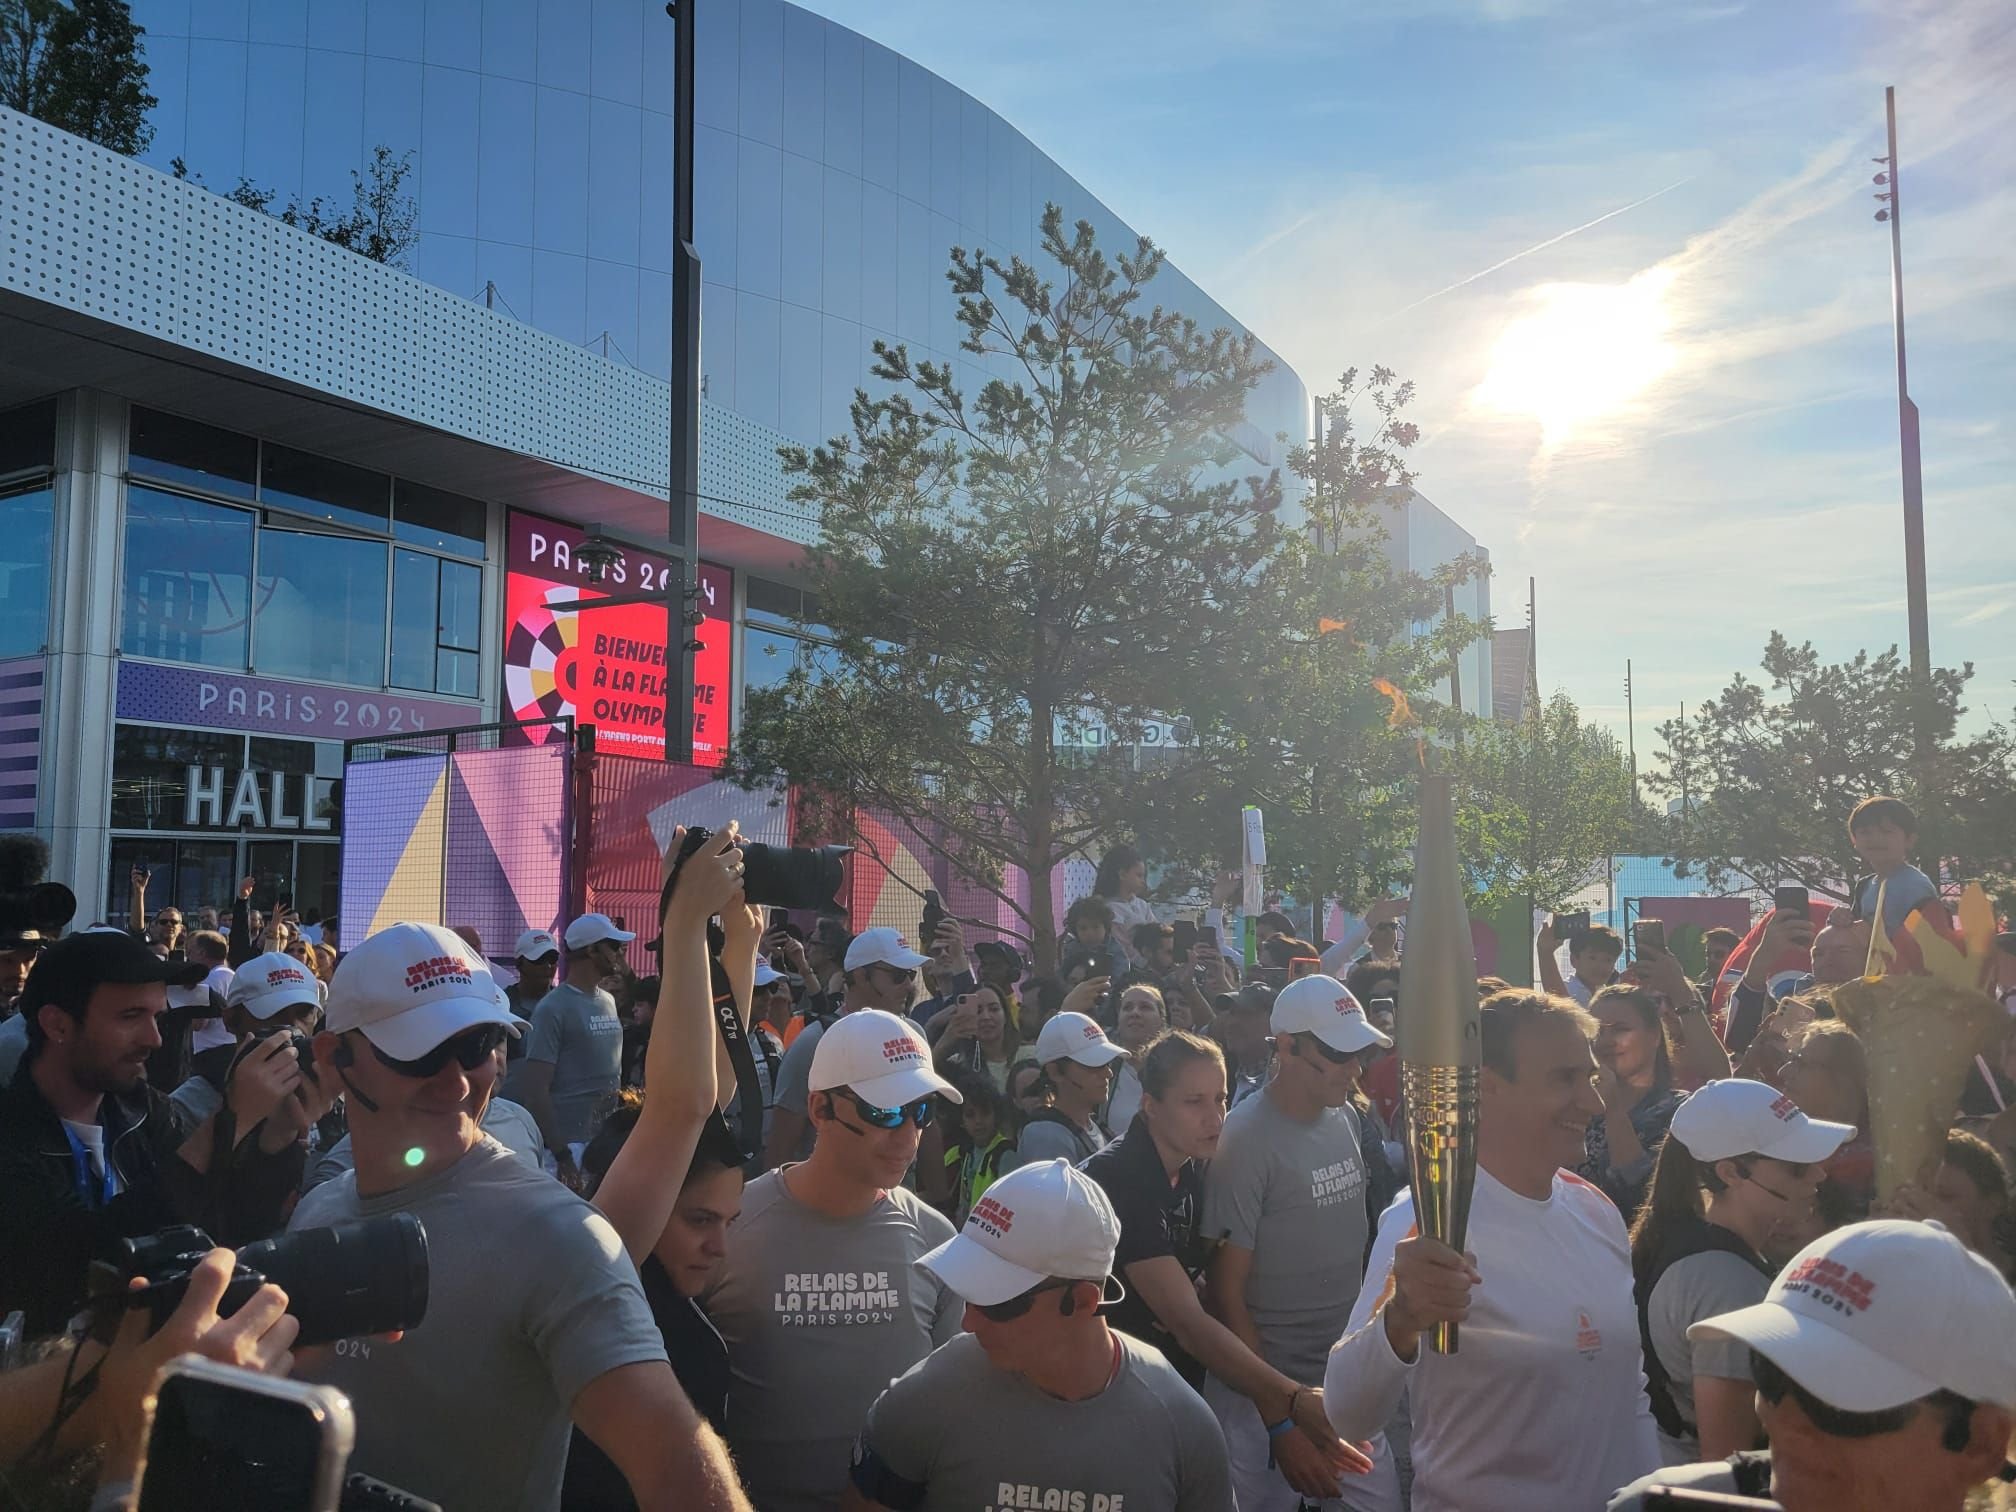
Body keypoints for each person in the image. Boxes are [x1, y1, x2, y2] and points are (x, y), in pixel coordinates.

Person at [290, 920, 748, 1511]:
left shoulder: (558, 1237)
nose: (456, 1081)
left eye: (475, 1044)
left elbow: (682, 1475)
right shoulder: (317, 1214)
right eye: (420, 1051)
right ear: (334, 1060)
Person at [1326, 989, 1659, 1511]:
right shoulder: (1431, 1221)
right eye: (1565, 1079)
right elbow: (1348, 1413)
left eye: (1590, 1078)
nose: (1594, 1103)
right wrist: (1401, 1319)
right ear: (1486, 1086)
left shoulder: (1597, 1210)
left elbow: (1627, 1393)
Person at [843, 1158, 1236, 1512]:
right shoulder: (922, 1402)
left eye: (997, 1301)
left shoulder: (1183, 1428)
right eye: (967, 1290)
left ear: (1083, 1301)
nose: (969, 1321)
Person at [1082, 1029, 1373, 1500]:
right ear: (1149, 1104)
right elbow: (1188, 1322)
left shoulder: (1195, 1166)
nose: (1215, 1116)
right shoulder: (1121, 1177)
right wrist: (1288, 1409)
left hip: (1175, 1387)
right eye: (1193, 1102)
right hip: (1107, 1399)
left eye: (1220, 1098)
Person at [701, 1008, 963, 1512]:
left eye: (921, 1110)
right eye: (885, 1111)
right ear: (820, 1109)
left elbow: (951, 1414)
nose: (908, 1132)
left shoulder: (934, 1237)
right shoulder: (729, 1225)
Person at [0, 930, 311, 1336]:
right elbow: (90, 1255)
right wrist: (228, 1119)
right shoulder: (12, 1131)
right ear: (57, 1024)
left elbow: (227, 1227)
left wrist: (280, 1136)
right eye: (130, 1017)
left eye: (157, 1017)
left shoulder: (145, 1111)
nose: (155, 1039)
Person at [1608, 1219, 2016, 1512]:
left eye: (1839, 1395)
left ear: (1982, 1443)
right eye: (1771, 1372)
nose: (1783, 1417)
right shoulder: (1650, 1507)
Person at [1202, 973, 1387, 1511]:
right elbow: (1226, 1293)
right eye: (1337, 1052)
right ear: (1286, 1045)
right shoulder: (1244, 1137)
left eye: (1358, 1051)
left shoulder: (1347, 1117)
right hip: (1262, 1403)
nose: (1354, 1067)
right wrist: (1279, 1417)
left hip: (1342, 1390)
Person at [1627, 1079, 1852, 1464]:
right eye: (1797, 1167)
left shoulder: (1695, 1249)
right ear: (1731, 1172)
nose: (1819, 1175)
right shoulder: (1724, 1283)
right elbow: (1726, 1464)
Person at [765, 926, 932, 1169]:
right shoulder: (814, 1042)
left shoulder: (915, 1035)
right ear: (861, 975)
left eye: (910, 974)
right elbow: (780, 1149)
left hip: (895, 1197)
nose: (908, 986)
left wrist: (937, 1199)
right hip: (827, 1200)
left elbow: (927, 1123)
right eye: (897, 975)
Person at [518, 912, 633, 1183]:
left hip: (603, 1142)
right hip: (569, 1149)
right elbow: (535, 1091)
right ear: (592, 950)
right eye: (614, 946)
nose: (620, 953)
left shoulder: (606, 1000)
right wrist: (562, 1155)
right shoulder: (552, 1008)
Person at [1580, 984, 1688, 1218]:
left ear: (1654, 1036)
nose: (1606, 1041)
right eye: (1597, 1031)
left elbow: (1641, 1195)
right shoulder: (1578, 1107)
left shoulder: (1681, 1112)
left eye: (1621, 1030)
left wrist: (1614, 1110)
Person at [1014, 1009, 1125, 1165]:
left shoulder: (1094, 1126)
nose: (1108, 1074)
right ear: (1055, 1072)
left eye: (1106, 1063)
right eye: (1093, 1064)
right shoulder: (1047, 1136)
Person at [1848, 794, 1942, 935]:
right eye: (1865, 832)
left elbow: (1931, 938)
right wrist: (1841, 920)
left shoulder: (1915, 886)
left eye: (1887, 832)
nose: (1875, 839)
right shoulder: (1864, 886)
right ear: (1854, 840)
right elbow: (1855, 932)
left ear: (1909, 839)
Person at [931, 980, 1034, 1094]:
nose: (986, 1017)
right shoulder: (958, 1063)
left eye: (994, 1009)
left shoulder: (1031, 1055)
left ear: (1005, 1015)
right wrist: (945, 1039)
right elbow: (927, 1080)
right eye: (978, 1011)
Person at [940, 1074, 1017, 1225]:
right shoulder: (963, 1153)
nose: (979, 1121)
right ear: (961, 1119)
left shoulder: (1006, 1154)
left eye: (985, 1113)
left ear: (996, 1115)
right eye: (970, 1115)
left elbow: (1014, 1206)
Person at [500, 927, 560, 1102]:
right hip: (511, 1105)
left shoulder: (565, 1004)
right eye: (539, 960)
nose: (548, 966)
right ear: (519, 964)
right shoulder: (503, 1005)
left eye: (552, 959)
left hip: (555, 1104)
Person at [1103, 980, 1168, 1133]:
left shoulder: (1177, 1070)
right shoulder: (1103, 1070)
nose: (1135, 1013)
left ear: (1162, 1020)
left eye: (1145, 1007)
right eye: (1127, 1008)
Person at [1538, 920, 1625, 1006]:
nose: (1600, 966)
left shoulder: (1608, 995)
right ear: (1574, 960)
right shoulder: (1570, 990)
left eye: (1608, 960)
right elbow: (1562, 1005)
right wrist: (1546, 953)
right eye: (1592, 958)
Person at [1093, 845, 1157, 956]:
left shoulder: (1143, 905)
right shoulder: (1108, 909)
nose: (1143, 881)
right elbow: (1122, 949)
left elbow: (1157, 935)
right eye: (1139, 875)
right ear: (1122, 874)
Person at [1063, 895, 1131, 980]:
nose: (1090, 933)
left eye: (1095, 927)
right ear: (1075, 930)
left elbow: (1122, 971)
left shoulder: (1114, 948)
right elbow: (1062, 972)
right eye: (1083, 928)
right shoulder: (1072, 948)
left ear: (1105, 927)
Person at [1699, 926, 1741, 997]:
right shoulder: (1703, 990)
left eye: (1719, 954)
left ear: (1733, 956)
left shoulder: (1743, 989)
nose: (1711, 959)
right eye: (1708, 954)